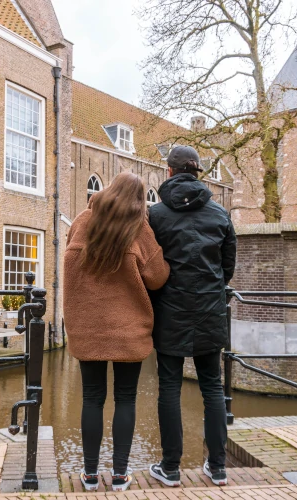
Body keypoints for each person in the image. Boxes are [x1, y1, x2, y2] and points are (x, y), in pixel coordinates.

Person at [63, 172, 170, 492]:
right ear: (139, 201)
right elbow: (158, 277)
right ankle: (121, 475)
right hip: (128, 330)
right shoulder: (139, 229)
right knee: (126, 399)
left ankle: (90, 475)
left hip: (88, 327)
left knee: (92, 399)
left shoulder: (82, 222)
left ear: (109, 190)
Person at [148, 146, 237, 487]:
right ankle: (217, 467)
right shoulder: (220, 214)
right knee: (212, 387)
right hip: (210, 310)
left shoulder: (156, 216)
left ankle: (170, 468)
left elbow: (150, 266)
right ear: (197, 172)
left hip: (170, 311)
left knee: (169, 387)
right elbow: (227, 268)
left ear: (168, 172)